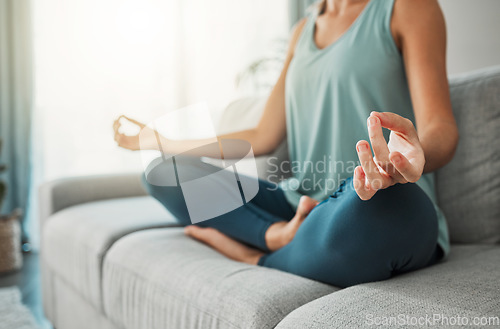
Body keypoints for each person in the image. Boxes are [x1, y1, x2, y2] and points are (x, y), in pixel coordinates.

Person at [113, 0, 458, 288]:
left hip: (374, 200)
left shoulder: (408, 8)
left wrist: (408, 159)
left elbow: (440, 127)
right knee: (164, 172)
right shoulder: (302, 33)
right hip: (302, 206)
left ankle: (256, 256)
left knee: (391, 210)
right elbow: (263, 134)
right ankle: (274, 236)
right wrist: (166, 142)